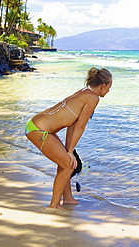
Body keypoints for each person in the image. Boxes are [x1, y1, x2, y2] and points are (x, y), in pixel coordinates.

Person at [25, 67, 112, 210]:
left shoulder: (85, 92)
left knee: (67, 162)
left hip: (38, 126)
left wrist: (69, 149)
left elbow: (72, 125)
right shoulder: (93, 98)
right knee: (67, 164)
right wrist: (70, 152)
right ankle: (54, 204)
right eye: (109, 87)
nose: (108, 91)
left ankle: (68, 198)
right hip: (39, 130)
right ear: (103, 85)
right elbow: (80, 127)